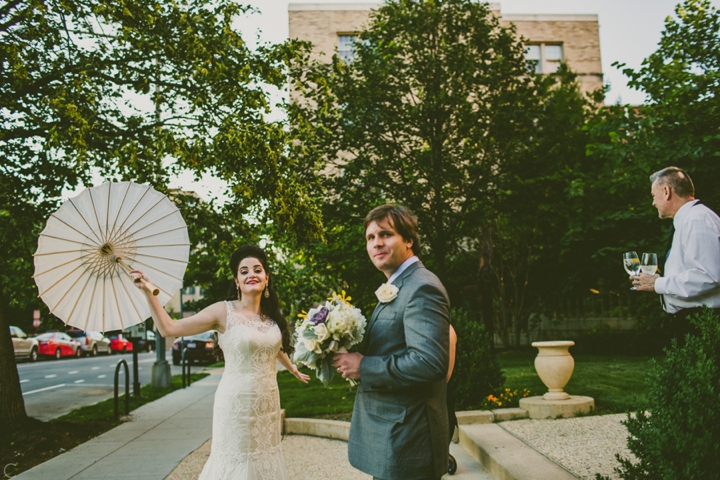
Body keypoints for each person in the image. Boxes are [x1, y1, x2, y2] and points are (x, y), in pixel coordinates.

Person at [131, 245, 309, 480]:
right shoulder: (222, 312)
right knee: (238, 462)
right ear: (236, 281)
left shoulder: (270, 318)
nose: (251, 274)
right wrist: (147, 291)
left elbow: (273, 348)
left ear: (266, 278)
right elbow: (169, 328)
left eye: (257, 269)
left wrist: (292, 368)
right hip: (236, 405)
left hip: (267, 405)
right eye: (244, 271)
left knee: (265, 458)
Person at [333, 204, 451, 480]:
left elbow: (429, 363)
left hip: (408, 439)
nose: (376, 243)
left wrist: (365, 367)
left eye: (385, 234)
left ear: (409, 240)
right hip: (394, 437)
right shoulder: (400, 284)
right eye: (370, 238)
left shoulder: (421, 287)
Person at [633, 167, 720, 337]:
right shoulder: (690, 220)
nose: (653, 203)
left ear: (666, 191)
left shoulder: (696, 220)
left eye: (653, 196)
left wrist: (658, 284)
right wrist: (655, 283)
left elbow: (707, 276)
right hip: (693, 322)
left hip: (701, 324)